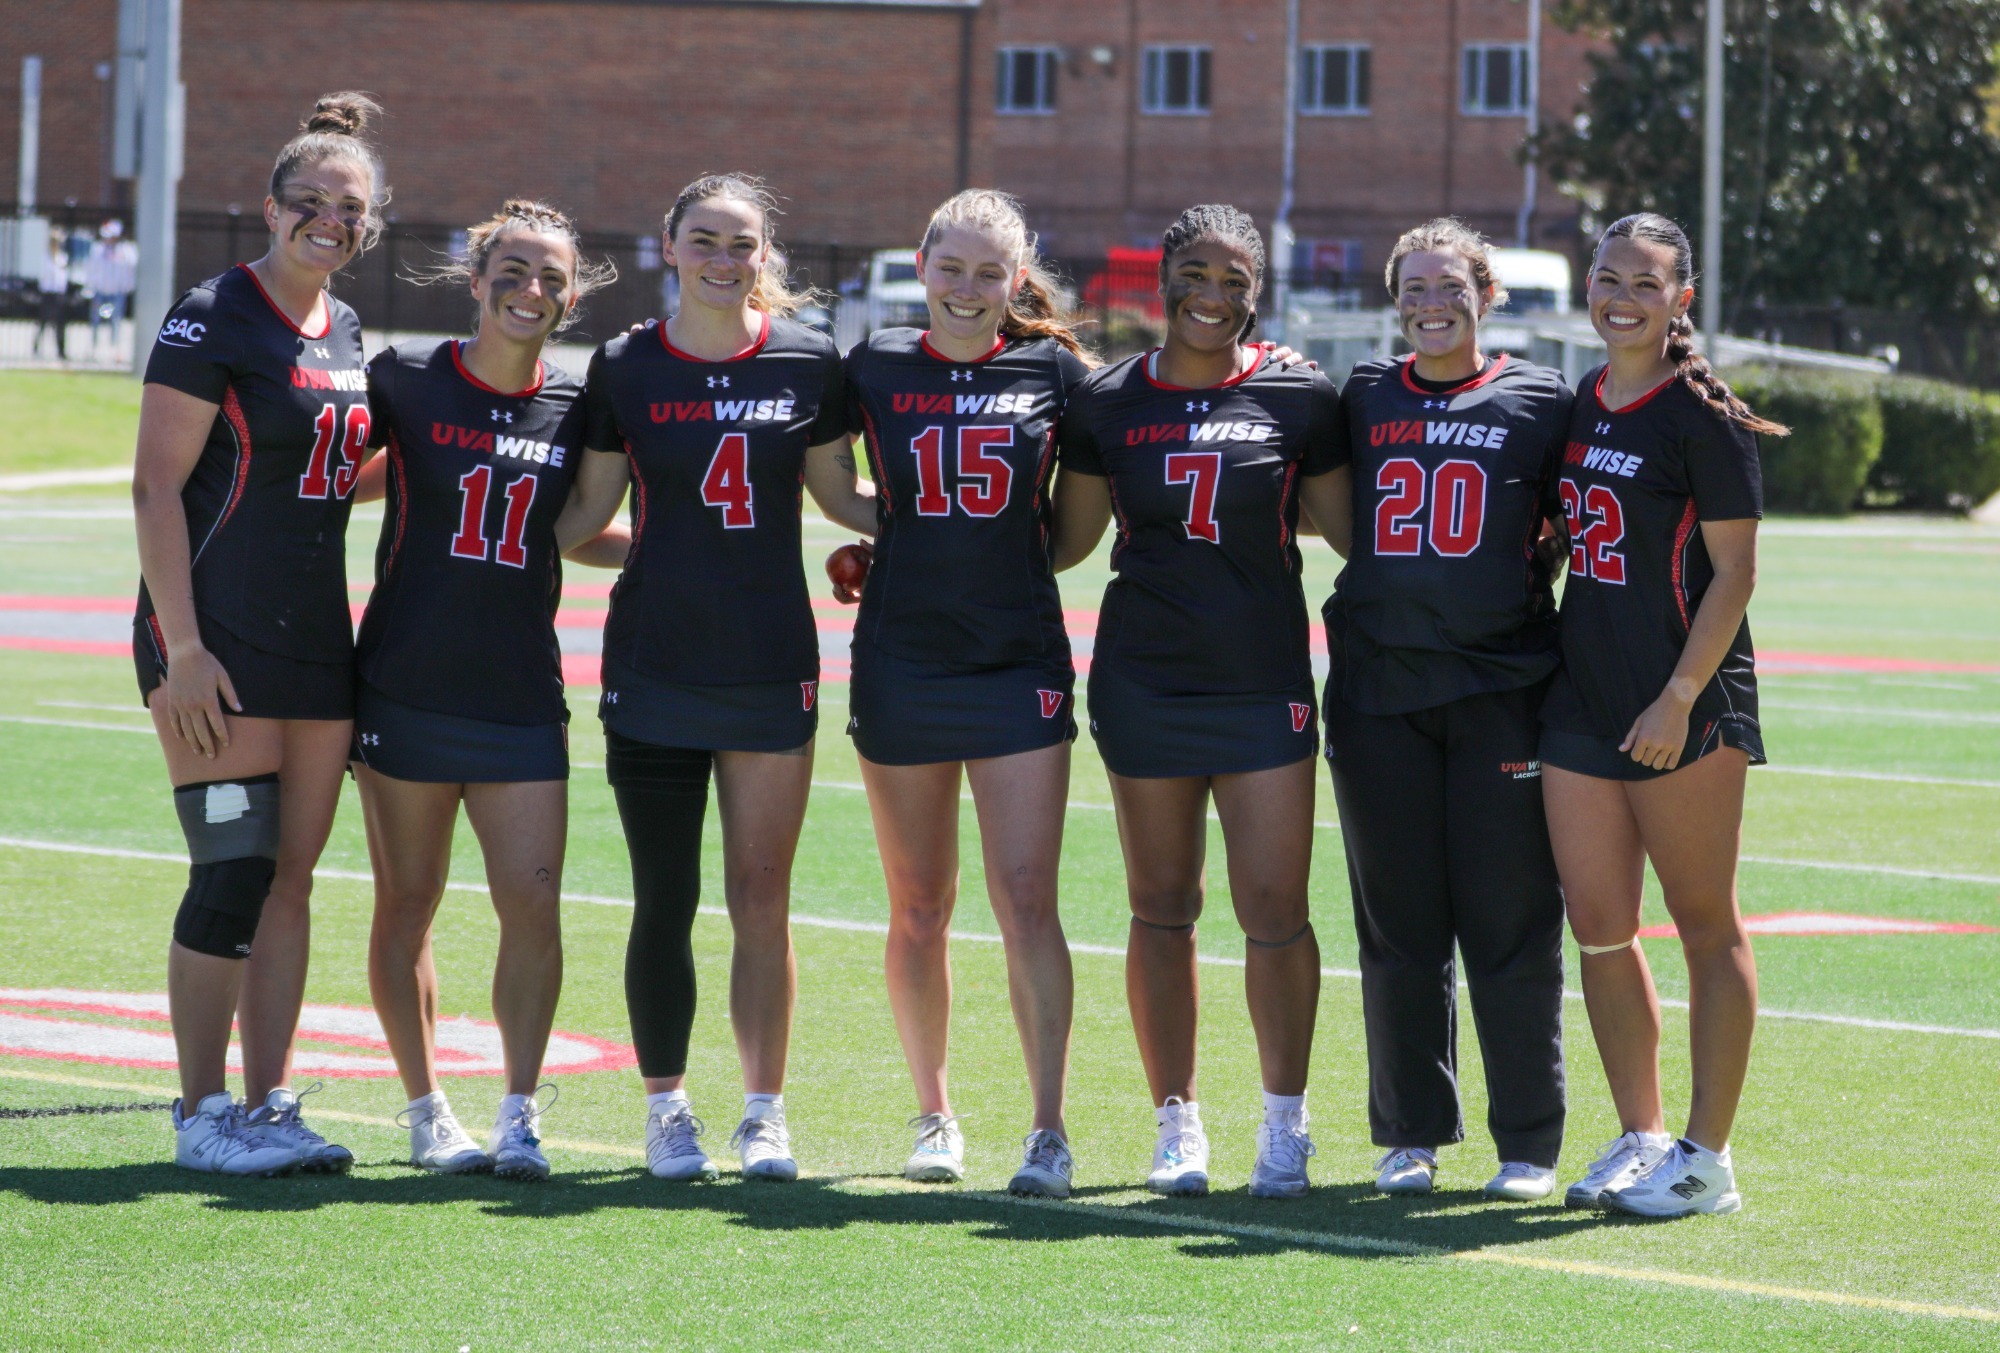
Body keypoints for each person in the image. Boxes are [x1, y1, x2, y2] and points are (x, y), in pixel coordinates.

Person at [560, 173, 875, 1182]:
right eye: (705, 239)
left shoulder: (807, 359)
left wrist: (958, 513)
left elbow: (841, 499)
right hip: (653, 659)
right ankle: (665, 1109)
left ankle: (763, 1111)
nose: (723, 258)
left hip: (767, 660)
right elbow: (584, 523)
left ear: (763, 255)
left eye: (741, 244)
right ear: (669, 245)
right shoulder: (622, 365)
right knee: (663, 896)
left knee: (760, 898)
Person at [1051, 205, 1347, 1199]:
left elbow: (1362, 534)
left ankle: (1282, 1124)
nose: (1210, 295)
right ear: (1161, 277)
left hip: (1262, 680)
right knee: (1161, 908)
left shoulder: (1299, 393)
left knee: (1273, 908)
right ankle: (1175, 1123)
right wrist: (908, 547)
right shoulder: (1105, 401)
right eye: (1193, 273)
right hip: (1144, 680)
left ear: (1255, 288)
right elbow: (1062, 546)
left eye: (1232, 278)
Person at [130, 92, 387, 1174]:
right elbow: (153, 488)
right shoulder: (213, 313)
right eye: (309, 203)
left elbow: (333, 479)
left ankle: (269, 1104)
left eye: (349, 209)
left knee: (290, 878)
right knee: (232, 871)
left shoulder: (349, 326)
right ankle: (199, 1116)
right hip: (213, 636)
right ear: (269, 207)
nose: (327, 221)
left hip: (315, 639)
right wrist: (182, 651)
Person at [348, 200, 612, 1180]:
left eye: (549, 275)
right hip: (404, 685)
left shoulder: (577, 407)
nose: (530, 288)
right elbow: (351, 471)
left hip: (517, 696)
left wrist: (674, 555)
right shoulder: (404, 379)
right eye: (513, 268)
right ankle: (425, 1108)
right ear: (477, 277)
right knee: (405, 902)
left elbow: (576, 531)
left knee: (533, 906)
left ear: (570, 295)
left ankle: (518, 1112)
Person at [839, 189, 1094, 1196]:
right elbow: (833, 486)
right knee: (917, 905)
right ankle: (934, 1114)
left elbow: (1072, 533)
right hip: (902, 657)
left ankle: (1047, 1129)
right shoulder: (872, 367)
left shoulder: (1055, 373)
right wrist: (897, 534)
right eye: (951, 267)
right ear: (921, 261)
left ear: (1016, 278)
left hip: (1013, 660)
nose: (967, 288)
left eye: (990, 272)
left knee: (1027, 900)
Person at [1320, 219, 1575, 1202]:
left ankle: (1528, 1140)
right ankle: (1410, 1132)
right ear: (1394, 302)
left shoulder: (1539, 397)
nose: (1431, 302)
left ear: (1486, 293)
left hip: (1500, 691)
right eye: (1412, 288)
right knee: (1396, 922)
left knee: (1510, 918)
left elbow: (1571, 515)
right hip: (1380, 689)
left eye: (1448, 285)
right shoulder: (1362, 394)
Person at [1540, 212, 1781, 1218]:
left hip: (1680, 697)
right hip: (1581, 692)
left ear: (1678, 300)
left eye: (1643, 283)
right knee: (1597, 925)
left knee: (1700, 921)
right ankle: (1639, 1135)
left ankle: (1704, 1157)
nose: (1620, 297)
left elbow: (1735, 573)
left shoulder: (1700, 414)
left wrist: (1677, 698)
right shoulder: (1580, 398)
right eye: (1606, 277)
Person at [34, 234, 72, 361]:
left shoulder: (62, 257)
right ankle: (36, 348)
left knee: (60, 325)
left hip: (58, 294)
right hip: (47, 293)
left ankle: (61, 351)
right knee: (42, 323)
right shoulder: (45, 258)